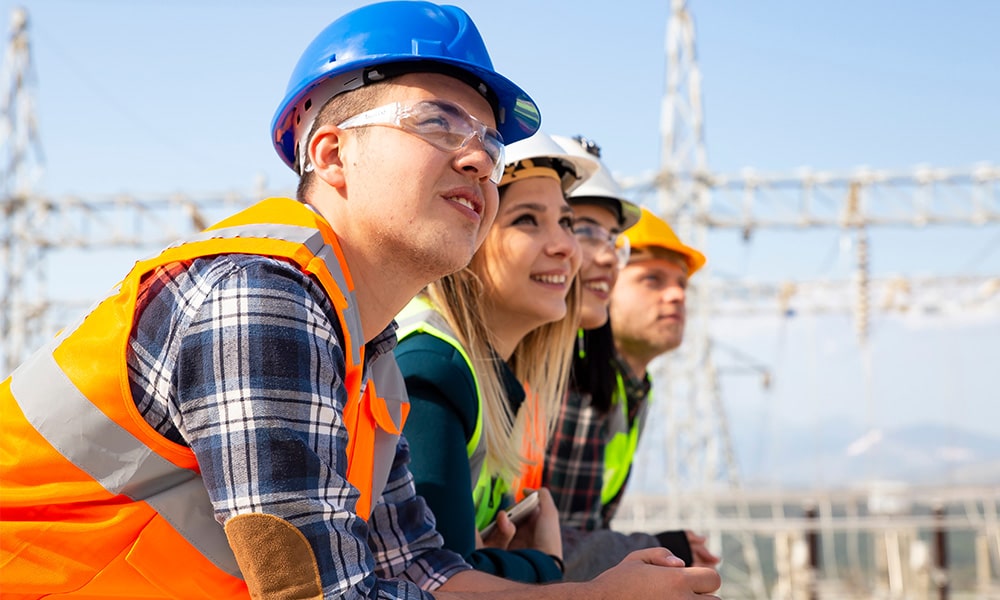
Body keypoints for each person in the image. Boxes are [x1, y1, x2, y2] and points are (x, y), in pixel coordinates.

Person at [0, 3, 722, 598]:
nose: (478, 158)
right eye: (437, 122)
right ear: (331, 154)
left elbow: (420, 571)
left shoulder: (368, 357)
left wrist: (596, 593)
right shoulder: (259, 296)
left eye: (489, 143)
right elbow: (323, 592)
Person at [393, 131, 593, 582]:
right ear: (470, 231)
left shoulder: (485, 375)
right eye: (527, 220)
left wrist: (494, 559)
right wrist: (544, 564)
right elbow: (438, 583)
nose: (565, 246)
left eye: (566, 222)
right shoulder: (432, 367)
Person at [542, 137, 721, 581]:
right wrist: (657, 549)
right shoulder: (577, 377)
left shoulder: (627, 386)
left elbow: (580, 531)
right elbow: (547, 548)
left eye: (681, 284)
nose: (677, 295)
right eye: (653, 280)